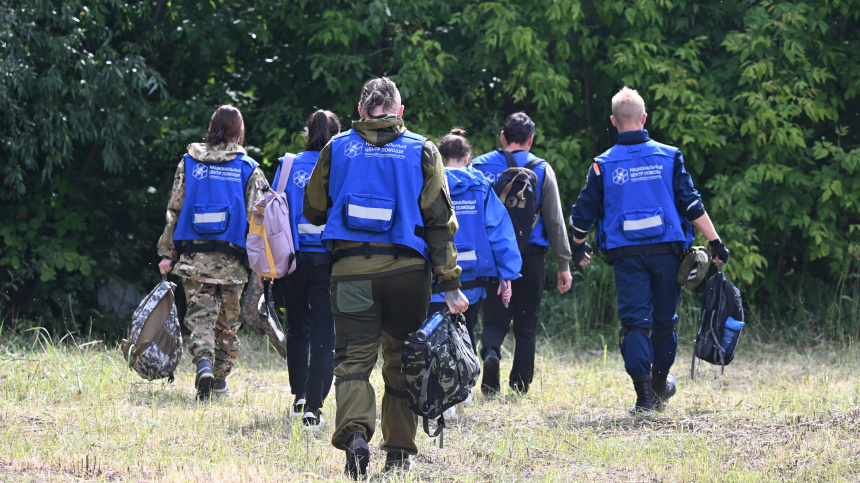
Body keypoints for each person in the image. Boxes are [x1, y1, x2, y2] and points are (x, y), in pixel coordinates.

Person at [302, 77, 468, 479]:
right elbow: (439, 224)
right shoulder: (423, 150)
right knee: (401, 361)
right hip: (408, 274)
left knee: (353, 361)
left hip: (350, 273)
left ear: (360, 111)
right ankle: (397, 453)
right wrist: (450, 284)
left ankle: (356, 435)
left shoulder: (336, 147)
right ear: (399, 111)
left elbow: (313, 209)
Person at [568, 87, 730, 413]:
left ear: (614, 121)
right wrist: (715, 241)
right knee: (664, 322)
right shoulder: (669, 156)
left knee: (635, 324)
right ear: (643, 118)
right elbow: (691, 204)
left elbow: (583, 214)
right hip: (668, 253)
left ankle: (644, 398)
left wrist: (577, 247)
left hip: (626, 256)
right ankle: (658, 389)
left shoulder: (602, 164)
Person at [157, 105, 266, 401]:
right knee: (228, 324)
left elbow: (175, 210)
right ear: (239, 131)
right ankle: (218, 382)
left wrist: (167, 253)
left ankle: (203, 365)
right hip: (233, 263)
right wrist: (264, 263)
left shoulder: (188, 163)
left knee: (201, 317)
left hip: (194, 260)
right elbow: (262, 216)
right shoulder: (248, 169)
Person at [471, 112, 573, 396]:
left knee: (493, 319)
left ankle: (491, 355)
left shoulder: (479, 166)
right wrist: (563, 263)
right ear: (530, 140)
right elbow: (554, 220)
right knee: (526, 324)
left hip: (492, 256)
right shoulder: (542, 169)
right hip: (531, 255)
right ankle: (519, 386)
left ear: (503, 137)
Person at [268, 110, 341, 427]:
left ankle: (299, 397)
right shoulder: (341, 165)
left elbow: (272, 214)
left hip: (292, 260)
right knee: (326, 334)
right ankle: (314, 405)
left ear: (307, 132)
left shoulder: (287, 165)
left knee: (297, 329)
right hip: (330, 261)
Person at [427, 128, 522, 355]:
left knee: (434, 338)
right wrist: (507, 273)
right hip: (472, 282)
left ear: (439, 157)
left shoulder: (428, 184)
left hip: (435, 280)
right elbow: (499, 231)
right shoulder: (481, 187)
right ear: (467, 158)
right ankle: (465, 388)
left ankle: (438, 388)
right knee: (466, 332)